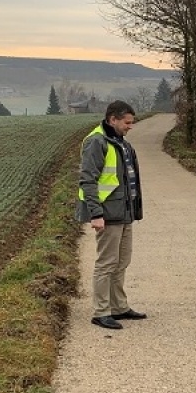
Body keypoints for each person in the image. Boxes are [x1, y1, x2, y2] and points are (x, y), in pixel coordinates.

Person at [77, 100, 145, 330]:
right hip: (107, 214)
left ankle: (119, 307)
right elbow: (88, 180)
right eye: (127, 122)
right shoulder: (96, 142)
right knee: (106, 264)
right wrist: (96, 214)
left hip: (124, 214)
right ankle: (101, 311)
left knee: (122, 262)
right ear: (112, 119)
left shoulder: (121, 143)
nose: (130, 127)